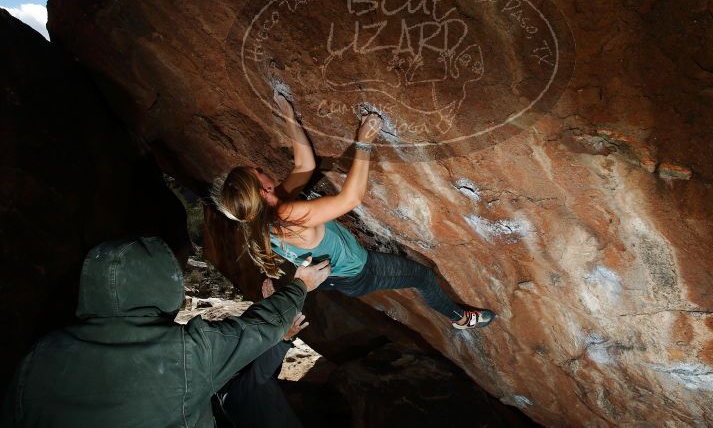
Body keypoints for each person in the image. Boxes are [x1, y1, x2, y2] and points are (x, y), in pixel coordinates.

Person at [204, 91, 495, 330]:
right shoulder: (288, 216)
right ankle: (460, 319)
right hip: (361, 272)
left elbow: (305, 166)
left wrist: (289, 117)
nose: (262, 170)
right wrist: (363, 143)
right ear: (262, 190)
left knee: (305, 189)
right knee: (423, 278)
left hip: (332, 276)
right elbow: (350, 198)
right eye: (258, 171)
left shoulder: (260, 218)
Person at [1, 236, 331, 428]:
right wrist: (300, 285)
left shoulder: (41, 354)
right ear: (164, 288)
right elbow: (256, 328)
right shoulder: (184, 352)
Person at [215, 277, 307, 428]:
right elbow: (261, 370)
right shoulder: (234, 395)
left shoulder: (227, 385)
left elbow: (262, 364)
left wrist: (272, 304)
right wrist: (284, 338)